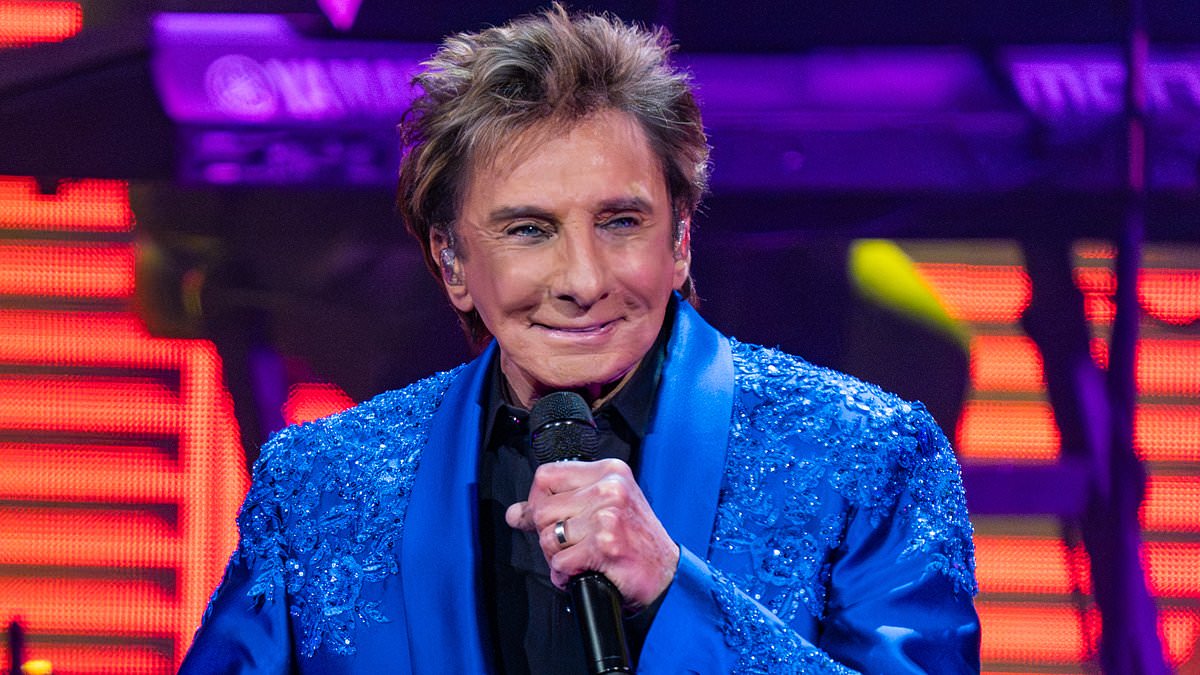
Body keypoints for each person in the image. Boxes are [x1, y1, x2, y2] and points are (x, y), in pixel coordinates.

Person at [179, 5, 980, 673]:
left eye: (620, 222)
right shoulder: (318, 484)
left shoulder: (871, 457)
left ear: (680, 240)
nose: (583, 279)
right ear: (452, 262)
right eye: (529, 230)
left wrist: (674, 591)